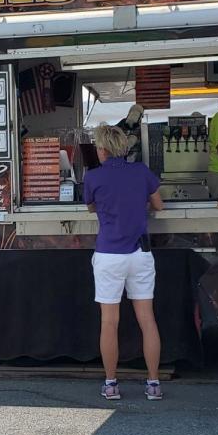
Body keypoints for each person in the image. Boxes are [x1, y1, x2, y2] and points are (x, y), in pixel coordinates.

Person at [83, 123, 164, 401]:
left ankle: (111, 384)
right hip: (140, 254)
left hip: (108, 255)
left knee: (109, 322)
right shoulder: (141, 172)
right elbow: (159, 204)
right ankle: (153, 384)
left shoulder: (93, 177)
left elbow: (90, 205)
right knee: (147, 319)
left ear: (102, 149)